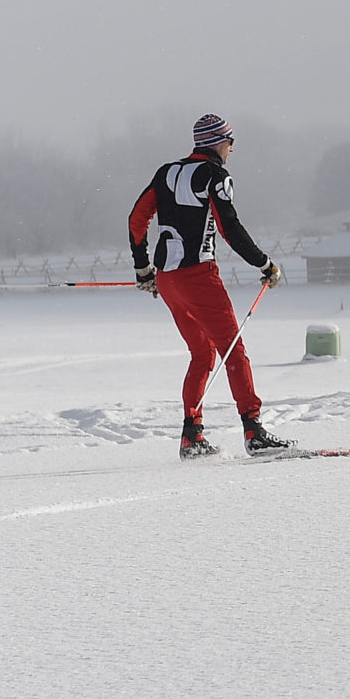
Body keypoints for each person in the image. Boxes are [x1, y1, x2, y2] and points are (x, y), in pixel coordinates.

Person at [128, 113, 290, 459]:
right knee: (233, 351)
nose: (232, 149)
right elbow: (229, 228)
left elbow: (136, 218)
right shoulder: (216, 175)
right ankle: (253, 429)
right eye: (231, 142)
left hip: (169, 279)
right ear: (219, 142)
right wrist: (265, 264)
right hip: (199, 275)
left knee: (202, 354)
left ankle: (192, 436)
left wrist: (144, 270)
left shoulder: (167, 172)